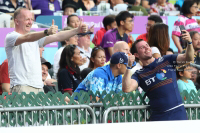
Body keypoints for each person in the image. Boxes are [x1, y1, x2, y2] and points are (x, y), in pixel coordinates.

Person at [5, 8, 87, 94]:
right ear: (17, 21)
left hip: (39, 87)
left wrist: (77, 30)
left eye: (31, 19)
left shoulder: (35, 38)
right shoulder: (11, 36)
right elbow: (27, 38)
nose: (30, 22)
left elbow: (58, 36)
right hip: (21, 87)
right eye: (27, 19)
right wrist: (46, 32)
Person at [123, 29, 194, 121]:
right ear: (136, 54)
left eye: (147, 45)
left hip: (178, 114)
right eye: (142, 48)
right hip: (159, 117)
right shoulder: (139, 74)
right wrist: (128, 67)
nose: (147, 48)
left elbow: (188, 58)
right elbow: (127, 88)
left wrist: (189, 42)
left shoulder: (166, 60)